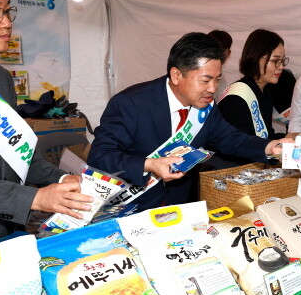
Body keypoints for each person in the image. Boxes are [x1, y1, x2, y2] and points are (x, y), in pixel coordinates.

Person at [88, 32, 289, 211]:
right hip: (134, 207)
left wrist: (270, 147)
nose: (212, 88)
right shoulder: (131, 103)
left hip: (180, 205)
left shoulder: (206, 105)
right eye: (205, 80)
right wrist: (149, 164)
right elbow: (100, 155)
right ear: (176, 75)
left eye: (217, 79)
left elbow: (230, 138)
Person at [0, 0, 92, 240]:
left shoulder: (1, 79)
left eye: (7, 10)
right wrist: (35, 197)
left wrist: (60, 180)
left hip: (7, 229)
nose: (7, 22)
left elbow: (19, 152)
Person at [217, 29, 286, 140]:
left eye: (283, 61)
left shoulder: (266, 94)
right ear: (255, 58)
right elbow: (238, 146)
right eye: (275, 61)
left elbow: (266, 136)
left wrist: (293, 137)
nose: (281, 66)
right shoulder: (235, 99)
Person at [208, 30, 233, 102]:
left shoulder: (224, 79)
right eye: (214, 50)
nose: (217, 54)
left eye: (221, 50)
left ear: (228, 53)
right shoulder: (197, 73)